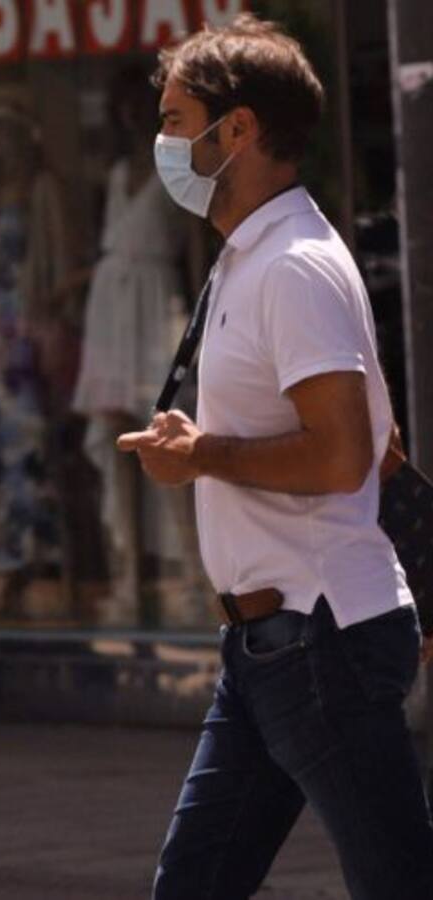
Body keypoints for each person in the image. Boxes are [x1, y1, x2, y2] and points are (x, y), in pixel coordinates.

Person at [117, 15, 433, 899]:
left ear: (240, 130)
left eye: (178, 122)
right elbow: (379, 438)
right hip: (269, 647)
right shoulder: (253, 258)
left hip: (318, 637)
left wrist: (203, 455)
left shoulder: (291, 264)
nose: (165, 144)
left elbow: (342, 455)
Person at [72, 67, 208, 626]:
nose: (130, 119)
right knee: (114, 441)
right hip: (111, 309)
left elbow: (197, 249)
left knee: (166, 437)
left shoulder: (175, 173)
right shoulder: (118, 173)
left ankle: (196, 582)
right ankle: (128, 580)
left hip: (155, 308)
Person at [0, 81, 71, 620]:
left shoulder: (42, 188)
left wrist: (45, 317)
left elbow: (57, 262)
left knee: (26, 452)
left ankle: (32, 566)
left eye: (5, 131)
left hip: (21, 336)